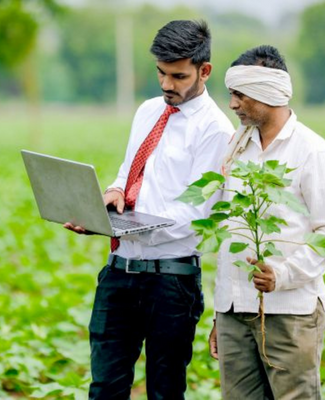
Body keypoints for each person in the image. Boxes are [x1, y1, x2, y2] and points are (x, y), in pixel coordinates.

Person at [64, 20, 234, 400]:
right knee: (104, 388)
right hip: (119, 272)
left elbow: (197, 213)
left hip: (170, 282)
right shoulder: (147, 111)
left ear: (204, 71)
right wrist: (111, 197)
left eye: (178, 75)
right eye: (160, 72)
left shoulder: (215, 130)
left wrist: (129, 226)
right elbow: (130, 170)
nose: (166, 85)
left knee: (164, 392)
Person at [209, 45, 325, 399]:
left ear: (267, 93)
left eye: (239, 95)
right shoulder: (236, 147)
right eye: (231, 95)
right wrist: (219, 316)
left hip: (291, 313)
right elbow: (227, 231)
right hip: (234, 312)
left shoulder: (312, 151)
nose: (232, 104)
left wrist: (282, 274)